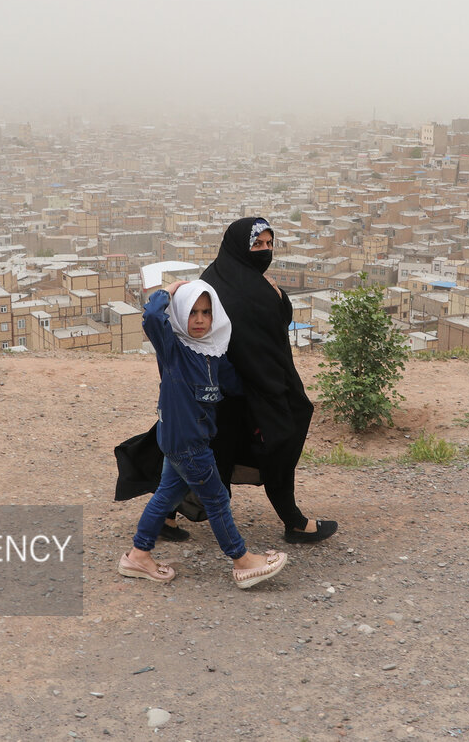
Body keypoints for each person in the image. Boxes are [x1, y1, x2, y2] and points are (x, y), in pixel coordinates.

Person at [119, 278, 288, 589]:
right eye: (192, 312)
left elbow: (237, 386)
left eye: (206, 312)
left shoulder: (213, 354)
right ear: (182, 314)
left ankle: (138, 555)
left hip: (182, 440)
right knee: (217, 499)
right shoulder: (174, 352)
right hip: (187, 442)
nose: (198, 320)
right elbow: (153, 317)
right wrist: (170, 290)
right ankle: (242, 561)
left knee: (167, 494)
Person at [202, 217, 338, 544]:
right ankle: (288, 523)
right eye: (257, 244)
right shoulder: (215, 283)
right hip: (228, 391)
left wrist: (279, 298)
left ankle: (291, 520)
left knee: (213, 452)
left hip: (253, 386)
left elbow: (275, 323)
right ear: (238, 245)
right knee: (210, 452)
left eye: (268, 244)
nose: (265, 250)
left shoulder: (250, 281)